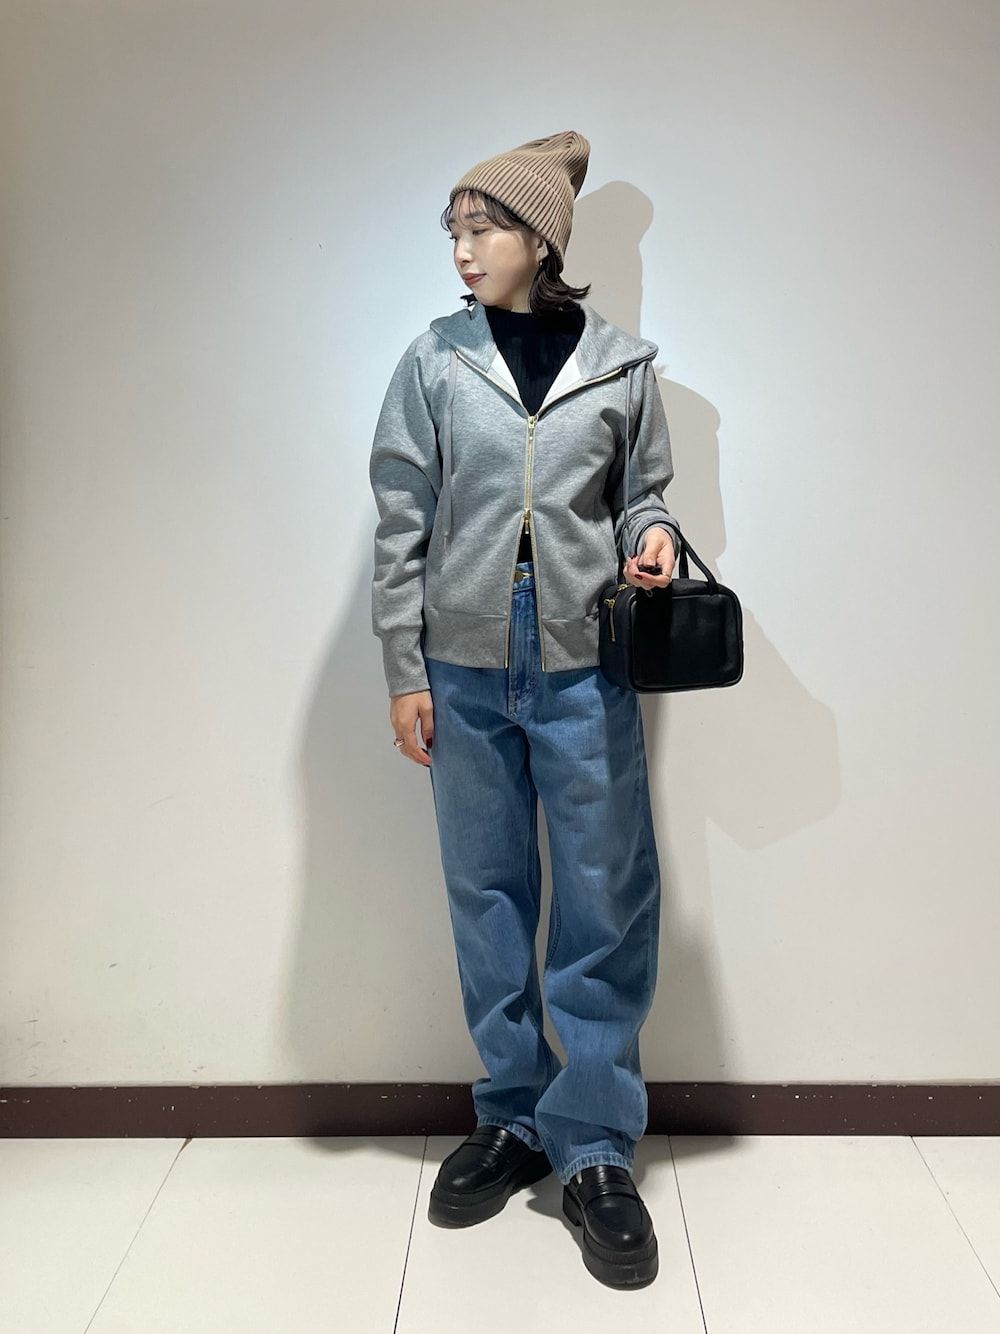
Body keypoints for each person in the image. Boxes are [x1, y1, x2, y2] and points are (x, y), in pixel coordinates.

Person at [368, 131, 681, 1290]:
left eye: (483, 227)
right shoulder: (434, 361)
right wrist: (403, 668)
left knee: (602, 900)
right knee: (487, 893)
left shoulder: (621, 365)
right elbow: (401, 518)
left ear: (539, 237)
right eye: (452, 229)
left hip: (584, 665)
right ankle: (512, 1113)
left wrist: (651, 532)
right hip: (460, 669)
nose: (462, 249)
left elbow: (643, 490)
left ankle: (592, 1141)